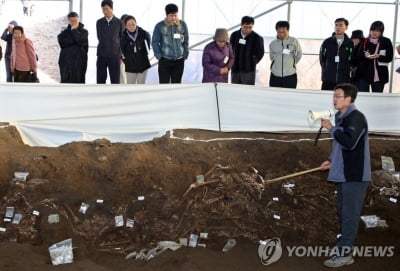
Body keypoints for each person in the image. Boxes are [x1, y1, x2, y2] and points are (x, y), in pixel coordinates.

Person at [320, 83, 371, 268]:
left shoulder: (356, 118)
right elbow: (340, 146)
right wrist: (331, 160)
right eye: (334, 95)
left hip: (355, 176)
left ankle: (345, 254)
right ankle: (345, 247)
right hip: (344, 174)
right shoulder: (341, 117)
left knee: (349, 215)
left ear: (348, 99)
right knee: (343, 212)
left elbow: (349, 143)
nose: (334, 99)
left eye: (338, 96)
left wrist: (331, 128)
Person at [152, 3, 189, 84]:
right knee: (164, 85)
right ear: (166, 15)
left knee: (176, 85)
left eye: (175, 15)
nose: (173, 18)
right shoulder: (159, 26)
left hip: (179, 61)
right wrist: (159, 56)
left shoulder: (182, 25)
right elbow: (154, 42)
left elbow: (186, 41)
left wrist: (185, 54)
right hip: (165, 60)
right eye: (171, 15)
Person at [353, 21, 393, 92]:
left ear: (381, 32)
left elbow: (389, 58)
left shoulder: (386, 41)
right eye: (372, 30)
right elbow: (357, 56)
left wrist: (379, 56)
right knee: (364, 97)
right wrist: (364, 55)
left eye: (377, 31)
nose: (374, 32)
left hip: (379, 75)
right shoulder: (364, 41)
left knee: (377, 97)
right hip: (363, 75)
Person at [319, 18, 354, 90]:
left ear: (346, 27)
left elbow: (351, 58)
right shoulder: (327, 42)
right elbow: (322, 58)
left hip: (343, 79)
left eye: (341, 25)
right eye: (336, 25)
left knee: (341, 99)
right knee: (325, 98)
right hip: (328, 78)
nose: (338, 27)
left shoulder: (350, 43)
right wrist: (326, 69)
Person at [229, 16, 264, 85]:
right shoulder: (234, 35)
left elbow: (260, 53)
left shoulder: (257, 38)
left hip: (249, 71)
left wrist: (253, 61)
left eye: (250, 27)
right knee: (235, 90)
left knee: (247, 91)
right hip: (235, 70)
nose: (248, 30)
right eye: (245, 27)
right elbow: (230, 50)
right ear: (241, 25)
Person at [269, 21, 302, 88]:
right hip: (275, 76)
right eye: (279, 32)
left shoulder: (294, 41)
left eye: (283, 32)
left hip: (290, 75)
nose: (281, 35)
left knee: (289, 96)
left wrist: (292, 64)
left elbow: (299, 54)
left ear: (288, 30)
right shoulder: (272, 44)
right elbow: (272, 57)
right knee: (274, 96)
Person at [96, 0, 123, 84]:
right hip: (101, 55)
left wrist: (121, 56)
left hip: (114, 56)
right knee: (100, 81)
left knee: (115, 81)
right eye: (103, 9)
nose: (105, 11)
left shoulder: (119, 22)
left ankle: (115, 97)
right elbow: (99, 37)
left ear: (112, 9)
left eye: (107, 9)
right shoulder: (99, 22)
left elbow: (122, 39)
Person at [57, 11, 88, 83]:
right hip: (66, 62)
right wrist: (74, 40)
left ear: (78, 19)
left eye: (75, 21)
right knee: (65, 81)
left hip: (79, 62)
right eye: (72, 21)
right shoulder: (64, 33)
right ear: (69, 21)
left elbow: (80, 41)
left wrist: (73, 31)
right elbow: (62, 42)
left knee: (78, 81)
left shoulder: (84, 32)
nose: (74, 23)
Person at [120, 15, 151, 84]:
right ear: (125, 26)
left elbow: (148, 46)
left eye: (133, 24)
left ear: (136, 23)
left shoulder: (144, 33)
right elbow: (121, 50)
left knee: (141, 85)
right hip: (130, 66)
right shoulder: (123, 37)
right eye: (128, 25)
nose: (131, 27)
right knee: (131, 87)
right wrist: (125, 60)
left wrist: (145, 53)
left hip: (143, 65)